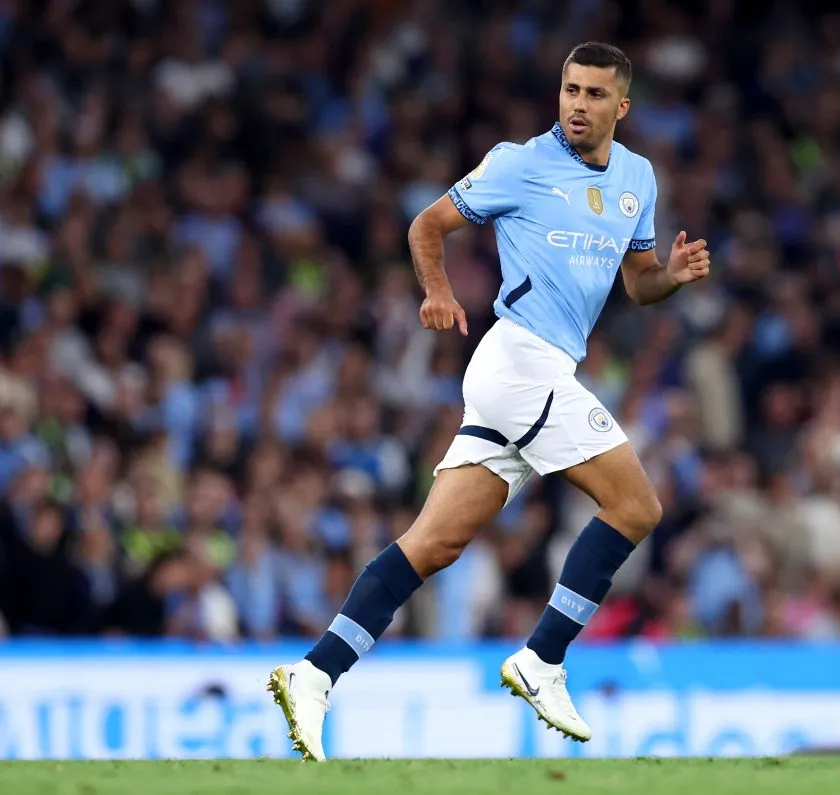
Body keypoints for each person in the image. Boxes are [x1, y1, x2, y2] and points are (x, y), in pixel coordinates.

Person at [267, 41, 712, 761]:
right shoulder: (520, 161)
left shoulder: (638, 178)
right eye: (570, 89)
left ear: (621, 107)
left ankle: (314, 671)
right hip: (517, 360)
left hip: (545, 369)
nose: (577, 104)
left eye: (596, 95)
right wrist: (438, 292)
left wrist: (674, 276)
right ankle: (542, 658)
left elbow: (637, 282)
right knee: (636, 506)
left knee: (435, 542)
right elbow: (427, 224)